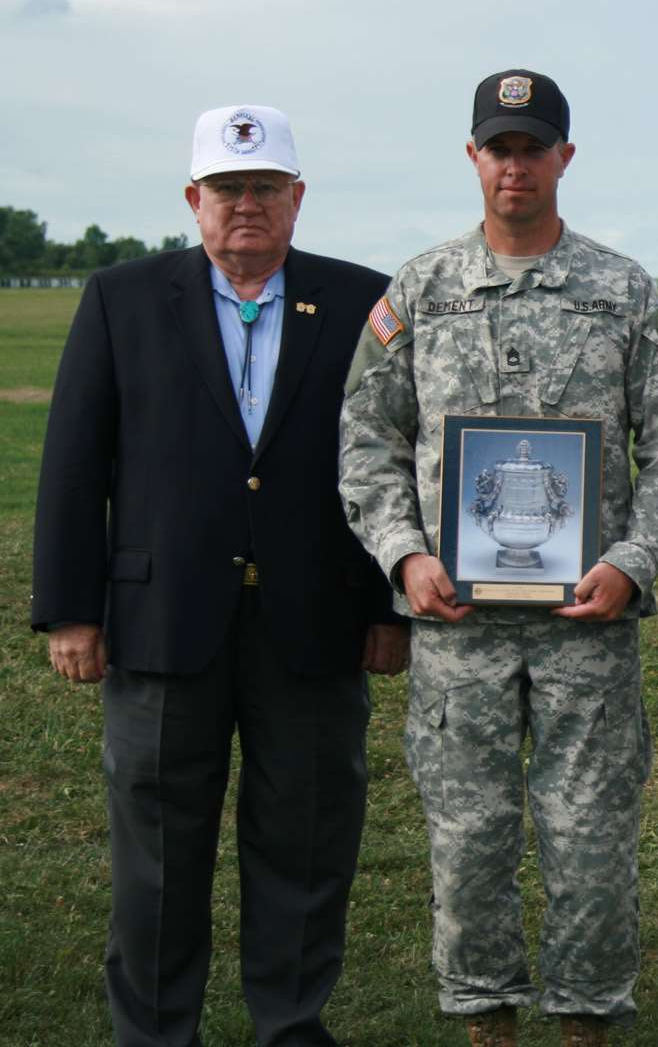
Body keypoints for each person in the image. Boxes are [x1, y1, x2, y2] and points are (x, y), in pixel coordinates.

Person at [30, 104, 406, 1046]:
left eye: (266, 189)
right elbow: (76, 462)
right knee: (158, 853)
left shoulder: (362, 298)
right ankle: (157, 1035)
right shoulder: (121, 297)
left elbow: (395, 460)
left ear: (297, 198)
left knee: (308, 842)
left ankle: (290, 1025)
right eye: (229, 189)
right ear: (195, 199)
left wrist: (388, 606)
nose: (248, 206)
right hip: (161, 623)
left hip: (315, 622)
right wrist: (70, 610)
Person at [337, 69, 658, 1047]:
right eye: (500, 147)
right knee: (469, 837)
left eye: (534, 146)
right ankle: (485, 1025)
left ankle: (585, 1027)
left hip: (589, 623)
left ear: (563, 159)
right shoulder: (422, 291)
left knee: (590, 839)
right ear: (473, 158)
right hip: (458, 628)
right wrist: (406, 557)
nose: (516, 164)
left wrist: (630, 558)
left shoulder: (623, 292)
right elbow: (367, 443)